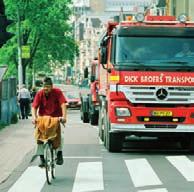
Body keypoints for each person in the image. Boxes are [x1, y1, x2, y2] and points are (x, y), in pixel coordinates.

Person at [31, 77, 67, 167]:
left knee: (60, 137)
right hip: (43, 119)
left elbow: (63, 104)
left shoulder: (57, 92)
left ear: (51, 86)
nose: (46, 88)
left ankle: (59, 154)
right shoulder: (39, 94)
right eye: (44, 86)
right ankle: (42, 158)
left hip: (56, 119)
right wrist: (34, 117)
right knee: (38, 137)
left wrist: (64, 117)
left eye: (47, 86)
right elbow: (34, 107)